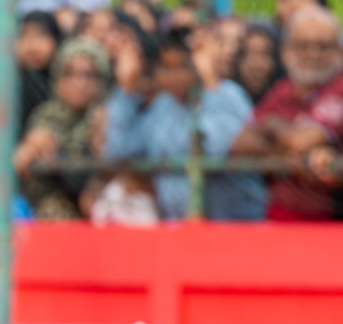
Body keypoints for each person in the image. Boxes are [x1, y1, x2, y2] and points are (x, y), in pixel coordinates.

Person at [105, 27, 262, 220]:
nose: (174, 77)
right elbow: (118, 152)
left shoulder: (228, 96)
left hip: (232, 227)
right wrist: (126, 88)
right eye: (167, 68)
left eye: (182, 67)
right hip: (178, 230)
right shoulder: (162, 108)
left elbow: (213, 149)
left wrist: (210, 82)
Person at [230, 6, 343, 221]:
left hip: (333, 220)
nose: (313, 54)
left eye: (323, 46)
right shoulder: (283, 89)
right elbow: (240, 144)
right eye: (303, 46)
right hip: (278, 218)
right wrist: (289, 159)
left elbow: (302, 141)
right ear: (286, 50)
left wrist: (272, 127)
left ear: (340, 51)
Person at [16, 38, 109, 220]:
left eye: (89, 75)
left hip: (99, 202)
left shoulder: (111, 115)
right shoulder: (47, 115)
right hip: (53, 205)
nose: (79, 83)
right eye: (69, 74)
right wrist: (31, 148)